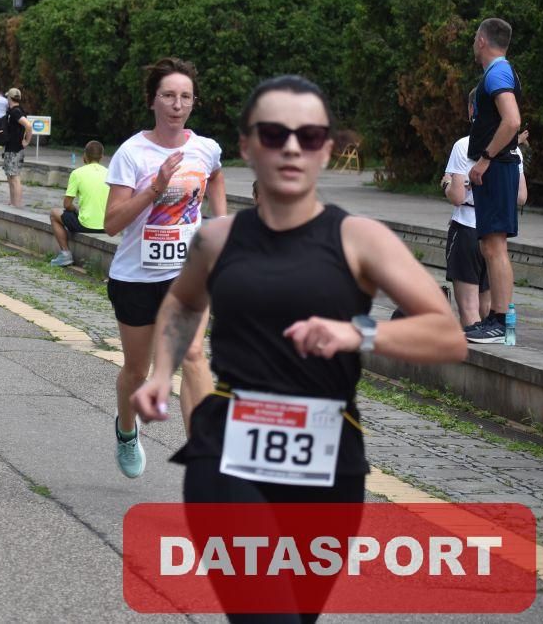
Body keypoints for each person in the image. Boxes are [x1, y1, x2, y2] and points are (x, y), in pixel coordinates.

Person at [130, 75, 467, 622]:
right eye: (273, 133)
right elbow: (183, 303)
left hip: (329, 457)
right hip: (228, 449)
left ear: (326, 149)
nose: (291, 147)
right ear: (246, 146)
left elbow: (447, 335)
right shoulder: (217, 239)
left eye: (308, 136)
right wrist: (159, 372)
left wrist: (359, 333)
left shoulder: (360, 238)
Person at [103, 57, 226, 479]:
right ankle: (125, 430)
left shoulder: (205, 148)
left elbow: (215, 176)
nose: (177, 105)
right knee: (136, 370)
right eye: (168, 96)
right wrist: (155, 189)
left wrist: (219, 223)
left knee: (192, 353)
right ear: (152, 101)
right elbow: (111, 223)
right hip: (135, 277)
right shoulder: (131, 153)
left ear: (194, 102)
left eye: (185, 97)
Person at [443, 87, 528, 334]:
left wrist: (447, 183)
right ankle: (497, 333)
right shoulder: (513, 149)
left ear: (473, 109)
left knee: (468, 308)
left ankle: (472, 349)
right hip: (496, 229)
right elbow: (521, 197)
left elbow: (457, 197)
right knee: (489, 306)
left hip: (467, 228)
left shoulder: (464, 145)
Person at [465, 18, 523, 344]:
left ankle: (500, 321)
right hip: (496, 168)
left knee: (495, 245)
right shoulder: (497, 72)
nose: (474, 43)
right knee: (489, 244)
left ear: (482, 40)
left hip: (498, 167)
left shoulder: (498, 72)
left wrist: (486, 158)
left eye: (476, 37)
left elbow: (512, 120)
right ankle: (494, 318)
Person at [49, 140, 109, 266]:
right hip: (107, 226)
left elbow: (67, 204)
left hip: (85, 224)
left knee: (54, 213)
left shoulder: (77, 173)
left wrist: (76, 209)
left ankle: (65, 254)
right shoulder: (110, 173)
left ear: (84, 156)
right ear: (102, 157)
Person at [2, 88, 32, 207]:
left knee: (14, 177)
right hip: (11, 148)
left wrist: (27, 141)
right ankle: (12, 202)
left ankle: (17, 205)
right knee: (10, 177)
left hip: (15, 149)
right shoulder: (15, 110)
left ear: (9, 98)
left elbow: (28, 126)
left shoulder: (16, 112)